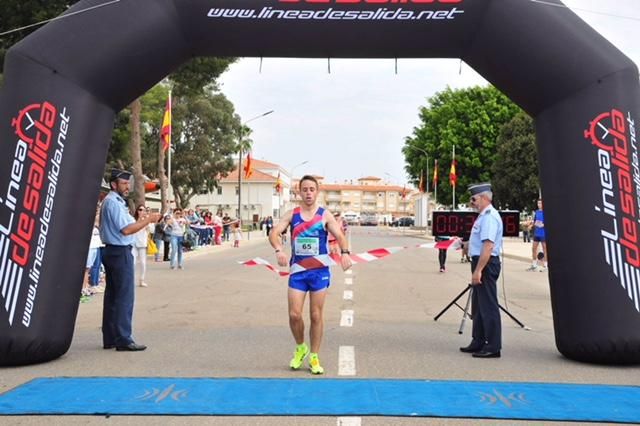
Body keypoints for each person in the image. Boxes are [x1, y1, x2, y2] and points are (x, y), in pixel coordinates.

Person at [269, 175, 352, 375]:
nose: (308, 193)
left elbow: (340, 236)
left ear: (317, 192)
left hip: (319, 272)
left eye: (311, 189)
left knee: (316, 315)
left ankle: (314, 356)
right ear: (299, 192)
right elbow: (274, 232)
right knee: (294, 314)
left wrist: (345, 254)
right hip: (298, 271)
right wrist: (279, 250)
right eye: (304, 189)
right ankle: (300, 347)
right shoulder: (292, 214)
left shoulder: (324, 215)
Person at [99, 169, 160, 352]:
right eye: (124, 184)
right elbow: (126, 229)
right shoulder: (114, 203)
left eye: (128, 183)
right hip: (119, 252)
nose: (127, 187)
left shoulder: (114, 202)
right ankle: (123, 338)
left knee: (113, 296)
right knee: (124, 297)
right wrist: (148, 220)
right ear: (114, 185)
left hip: (113, 251)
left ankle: (111, 336)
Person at [460, 182, 503, 359]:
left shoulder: (490, 217)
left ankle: (493, 346)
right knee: (478, 306)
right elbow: (479, 243)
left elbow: (488, 246)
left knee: (488, 306)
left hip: (485, 264)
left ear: (485, 198)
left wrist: (478, 271)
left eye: (474, 199)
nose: (472, 202)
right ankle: (478, 340)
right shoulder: (482, 216)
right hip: (480, 262)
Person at [132, 205, 154, 287]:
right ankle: (131, 280)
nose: (142, 211)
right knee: (133, 263)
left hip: (142, 244)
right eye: (140, 210)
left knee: (143, 263)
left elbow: (152, 230)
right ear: (137, 211)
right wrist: (140, 220)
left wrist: (147, 222)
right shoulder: (133, 220)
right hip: (133, 243)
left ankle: (142, 280)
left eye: (144, 210)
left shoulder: (147, 220)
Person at [527, 199, 547, 271]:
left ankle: (545, 265)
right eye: (538, 203)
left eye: (540, 203)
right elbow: (535, 221)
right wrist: (531, 225)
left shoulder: (545, 212)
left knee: (545, 248)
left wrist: (543, 224)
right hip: (537, 233)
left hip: (543, 233)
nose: (539, 205)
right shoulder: (536, 212)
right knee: (534, 248)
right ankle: (534, 264)